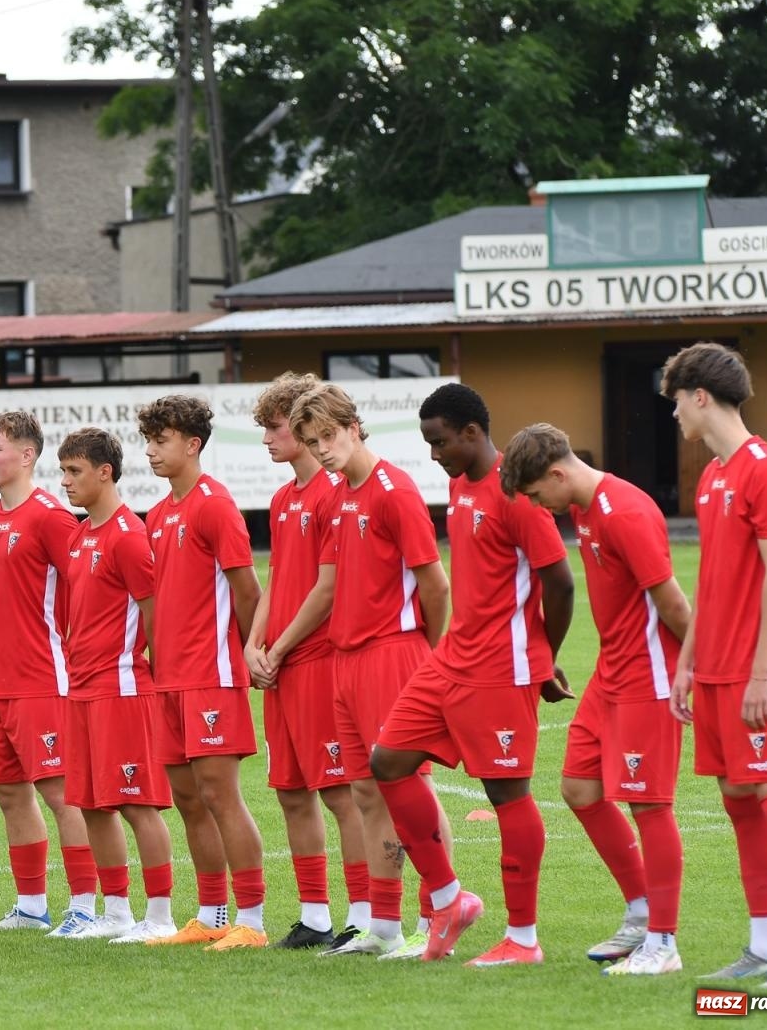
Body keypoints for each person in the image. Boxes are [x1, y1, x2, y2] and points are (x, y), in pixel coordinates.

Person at [369, 383, 575, 967]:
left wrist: (542, 658)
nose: (435, 455)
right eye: (428, 444)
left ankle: (524, 940)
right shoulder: (460, 485)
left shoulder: (518, 494)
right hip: (452, 659)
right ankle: (449, 899)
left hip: (500, 669)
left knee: (506, 794)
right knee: (388, 759)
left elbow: (560, 583)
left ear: (471, 433)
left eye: (440, 443)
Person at [662, 342, 767, 989]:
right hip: (714, 673)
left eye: (676, 399)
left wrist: (763, 671)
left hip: (762, 671)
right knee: (740, 804)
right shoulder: (713, 477)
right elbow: (713, 582)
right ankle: (765, 947)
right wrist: (687, 665)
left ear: (700, 397)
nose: (674, 412)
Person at [501, 423, 691, 975]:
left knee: (649, 804)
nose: (543, 508)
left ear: (558, 474)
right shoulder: (585, 508)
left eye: (539, 495)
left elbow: (675, 603)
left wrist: (699, 670)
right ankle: (640, 911)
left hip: (649, 677)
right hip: (611, 673)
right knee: (581, 789)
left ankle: (663, 943)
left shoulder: (625, 513)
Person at [288, 385, 451, 960]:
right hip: (346, 659)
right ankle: (384, 922)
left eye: (329, 436)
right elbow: (328, 583)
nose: (323, 449)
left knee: (409, 788)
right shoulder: (337, 496)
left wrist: (437, 663)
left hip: (393, 654)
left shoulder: (395, 491)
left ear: (355, 426)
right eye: (312, 441)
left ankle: (440, 915)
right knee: (365, 792)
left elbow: (434, 583)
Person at [243, 374, 369, 951]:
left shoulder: (333, 493)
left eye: (274, 428)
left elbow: (326, 590)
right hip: (280, 666)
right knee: (292, 792)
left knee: (341, 793)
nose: (268, 439)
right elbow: (278, 579)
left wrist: (282, 646)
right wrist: (254, 643)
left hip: (316, 663)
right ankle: (315, 915)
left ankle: (366, 912)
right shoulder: (281, 497)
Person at [137, 394, 268, 951]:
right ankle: (212, 916)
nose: (150, 452)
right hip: (168, 679)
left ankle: (254, 922)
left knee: (221, 795)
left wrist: (249, 654)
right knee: (189, 799)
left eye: (160, 440)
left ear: (192, 444)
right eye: (148, 441)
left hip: (211, 676)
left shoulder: (215, 505)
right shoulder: (160, 513)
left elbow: (247, 591)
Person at [0, 411, 98, 935]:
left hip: (43, 679)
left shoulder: (51, 516)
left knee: (61, 792)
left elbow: (87, 593)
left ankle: (87, 908)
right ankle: (30, 906)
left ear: (26, 455)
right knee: (9, 793)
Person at [54, 428, 177, 943]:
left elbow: (156, 618)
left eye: (74, 472)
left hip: (122, 689)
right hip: (81, 690)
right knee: (90, 804)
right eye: (62, 472)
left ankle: (161, 916)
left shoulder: (130, 536)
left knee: (135, 802)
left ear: (105, 473)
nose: (65, 483)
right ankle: (119, 912)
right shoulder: (80, 535)